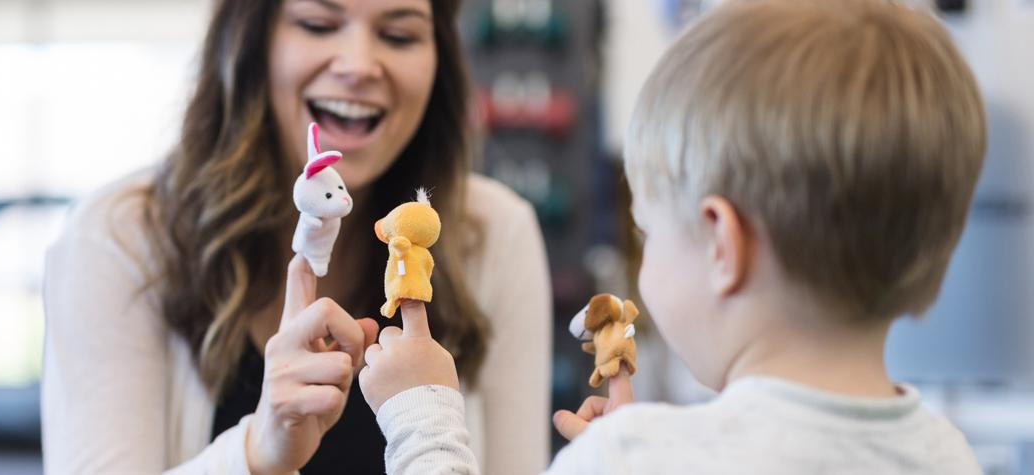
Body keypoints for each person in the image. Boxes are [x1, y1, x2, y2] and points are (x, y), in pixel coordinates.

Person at [358, 0, 987, 473]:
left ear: (722, 246)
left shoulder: (634, 458)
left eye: (647, 232)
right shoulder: (950, 455)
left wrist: (425, 418)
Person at [41, 0, 552, 473]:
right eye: (317, 24)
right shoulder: (116, 238)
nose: (358, 65)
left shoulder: (494, 235)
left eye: (398, 35)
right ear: (251, 41)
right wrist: (258, 452)